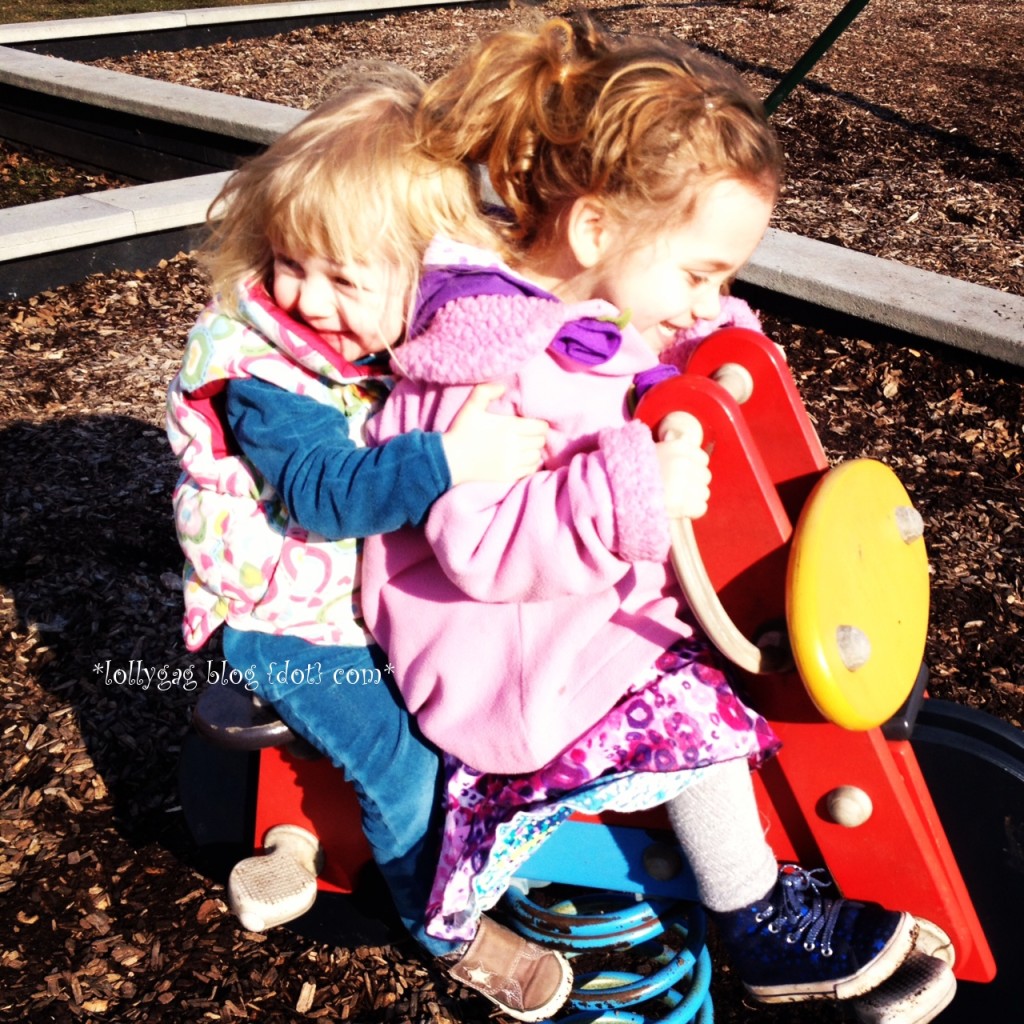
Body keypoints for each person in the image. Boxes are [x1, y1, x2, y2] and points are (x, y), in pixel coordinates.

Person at [361, 15, 940, 1013]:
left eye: (726, 278)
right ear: (594, 231)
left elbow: (651, 342)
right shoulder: (483, 365)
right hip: (499, 648)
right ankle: (753, 917)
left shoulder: (603, 306)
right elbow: (482, 548)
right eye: (699, 273)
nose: (708, 297)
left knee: (755, 657)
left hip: (571, 603)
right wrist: (633, 488)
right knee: (700, 709)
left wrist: (717, 342)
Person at [165, 69, 573, 1023]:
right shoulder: (263, 371)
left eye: (343, 277)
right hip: (288, 626)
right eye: (288, 261)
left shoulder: (390, 346)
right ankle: (452, 932)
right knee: (405, 770)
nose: (305, 296)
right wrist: (451, 458)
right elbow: (324, 492)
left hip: (359, 604)